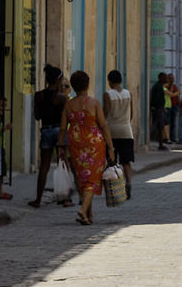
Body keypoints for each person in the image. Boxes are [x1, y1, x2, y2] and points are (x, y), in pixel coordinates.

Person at [58, 69, 114, 225]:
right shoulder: (94, 103)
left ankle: (89, 215)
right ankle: (83, 209)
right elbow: (103, 126)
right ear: (87, 84)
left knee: (82, 177)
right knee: (92, 179)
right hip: (94, 144)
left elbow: (63, 128)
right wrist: (111, 147)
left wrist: (60, 146)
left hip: (75, 143)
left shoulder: (69, 105)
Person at [28, 64, 71, 209]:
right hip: (59, 132)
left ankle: (38, 199)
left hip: (46, 130)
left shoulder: (39, 95)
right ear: (58, 80)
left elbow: (37, 116)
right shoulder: (62, 98)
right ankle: (65, 198)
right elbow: (68, 117)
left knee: (44, 167)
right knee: (63, 163)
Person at [103, 70, 134, 199]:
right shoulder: (128, 93)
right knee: (126, 161)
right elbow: (131, 114)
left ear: (109, 81)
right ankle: (128, 184)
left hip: (112, 131)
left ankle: (114, 187)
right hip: (126, 130)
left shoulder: (108, 94)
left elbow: (106, 113)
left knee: (111, 160)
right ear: (121, 80)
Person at [150, 72, 169, 150]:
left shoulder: (159, 86)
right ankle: (160, 144)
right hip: (158, 109)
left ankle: (161, 143)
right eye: (165, 77)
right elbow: (157, 99)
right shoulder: (158, 87)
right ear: (160, 78)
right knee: (159, 126)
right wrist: (159, 107)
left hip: (159, 108)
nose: (166, 79)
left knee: (162, 125)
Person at [165, 73, 180, 144]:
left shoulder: (175, 87)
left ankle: (173, 137)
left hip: (174, 106)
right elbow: (172, 94)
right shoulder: (166, 87)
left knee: (174, 123)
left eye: (173, 78)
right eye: (170, 78)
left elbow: (177, 97)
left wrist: (179, 105)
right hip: (167, 107)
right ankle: (168, 137)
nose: (172, 80)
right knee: (168, 123)